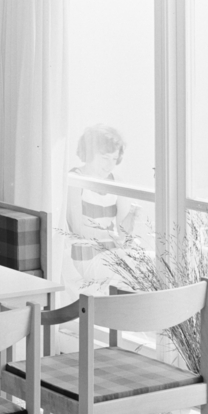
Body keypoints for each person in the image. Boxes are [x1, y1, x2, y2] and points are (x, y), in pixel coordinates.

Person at [65, 124, 139, 295]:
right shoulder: (75, 179)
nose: (109, 165)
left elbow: (123, 234)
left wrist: (131, 218)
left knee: (148, 264)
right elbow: (78, 230)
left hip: (111, 253)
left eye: (114, 159)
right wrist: (111, 236)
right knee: (137, 273)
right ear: (89, 153)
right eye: (105, 158)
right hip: (85, 257)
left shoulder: (117, 181)